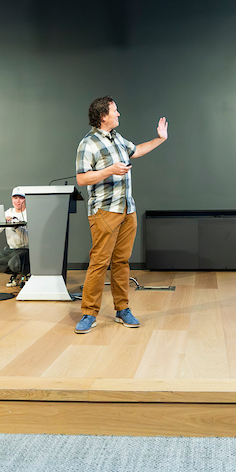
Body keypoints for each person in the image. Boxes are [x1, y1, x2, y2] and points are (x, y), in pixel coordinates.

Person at [73, 96, 167, 334]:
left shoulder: (117, 138)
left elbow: (137, 150)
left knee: (122, 262)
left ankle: (122, 309)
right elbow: (82, 178)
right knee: (99, 262)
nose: (118, 114)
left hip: (127, 209)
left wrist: (160, 139)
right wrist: (110, 170)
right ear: (103, 116)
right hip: (105, 211)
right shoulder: (88, 143)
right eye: (115, 111)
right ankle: (89, 313)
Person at [0, 190, 30, 287]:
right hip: (11, 250)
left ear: (26, 200)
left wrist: (16, 227)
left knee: (14, 263)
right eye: (15, 198)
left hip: (27, 250)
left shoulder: (29, 213)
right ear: (12, 199)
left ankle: (27, 273)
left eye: (21, 198)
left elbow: (29, 239)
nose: (18, 201)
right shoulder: (8, 212)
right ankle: (17, 273)